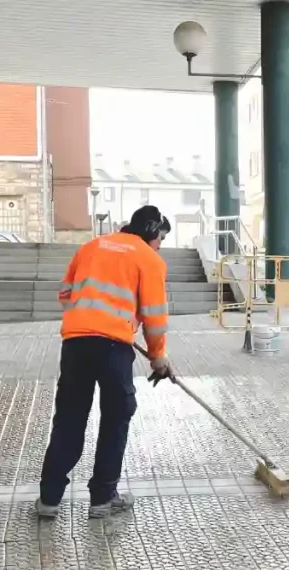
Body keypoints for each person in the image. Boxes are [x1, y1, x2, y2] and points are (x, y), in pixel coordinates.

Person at [36, 205, 172, 518]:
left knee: (69, 419)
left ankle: (49, 500)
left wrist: (93, 318)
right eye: (160, 240)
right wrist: (158, 356)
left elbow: (66, 293)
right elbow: (154, 315)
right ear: (152, 232)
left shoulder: (91, 247)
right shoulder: (148, 259)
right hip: (113, 350)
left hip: (75, 343)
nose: (159, 246)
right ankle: (103, 498)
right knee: (115, 418)